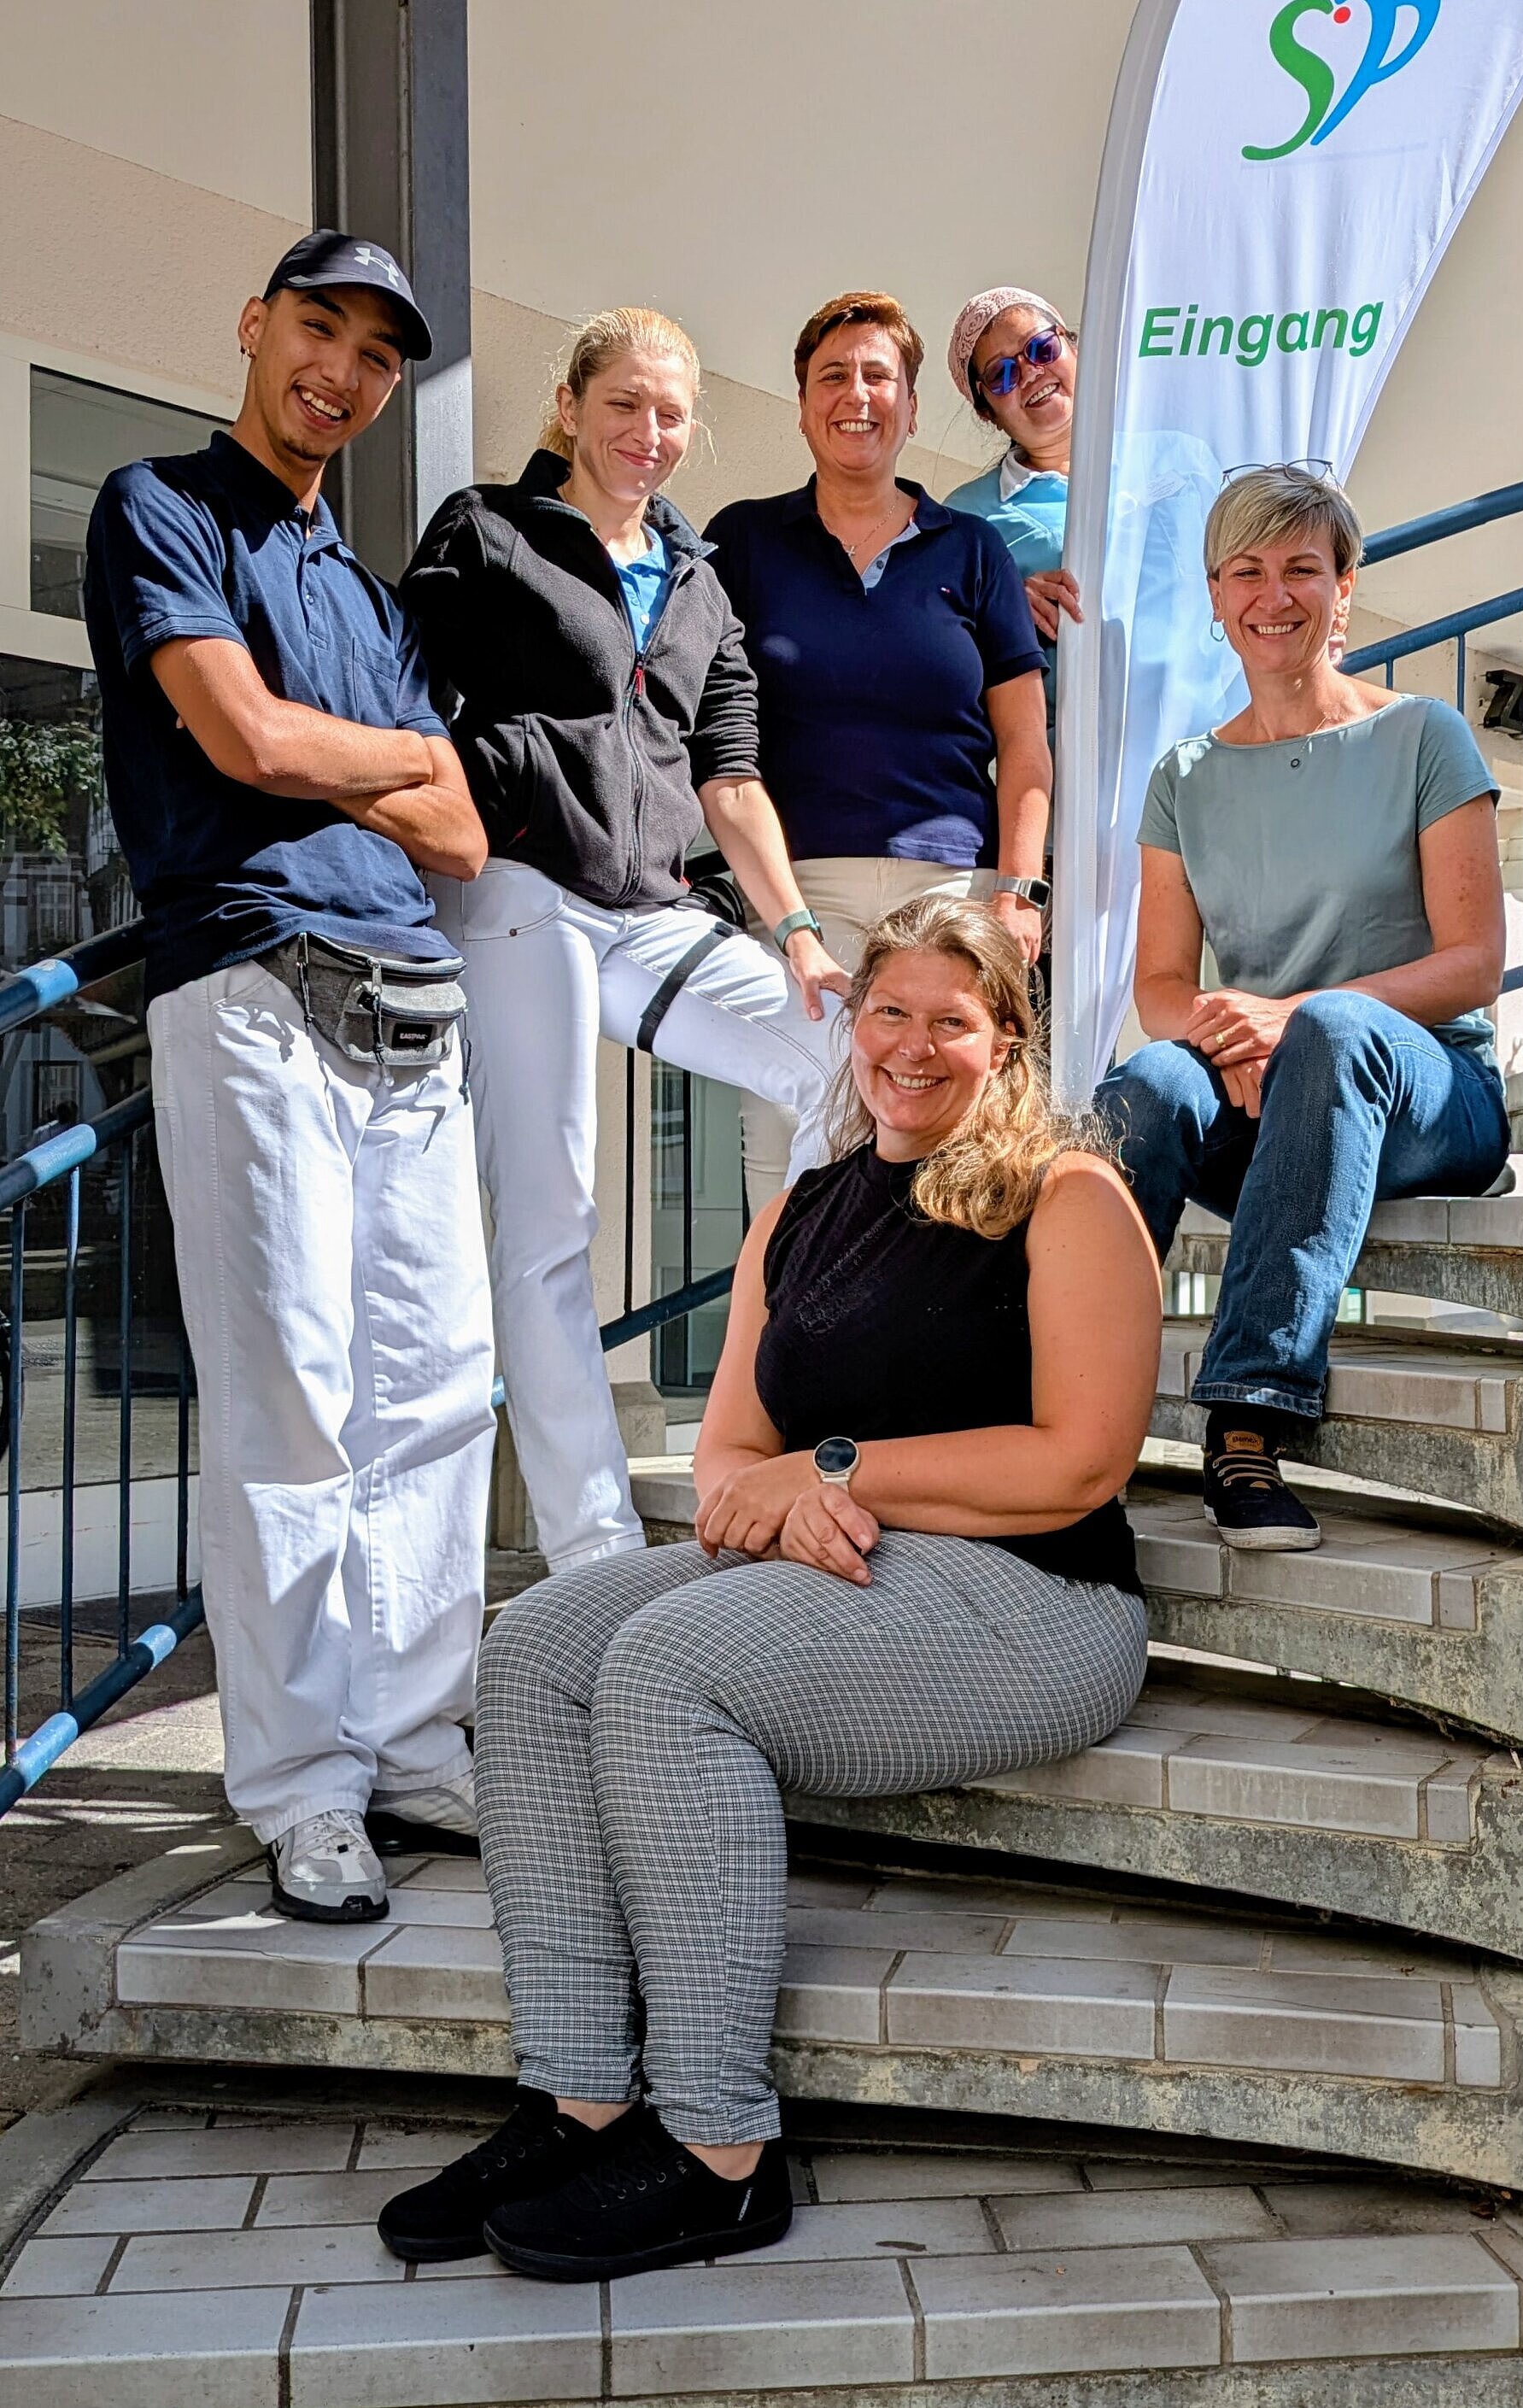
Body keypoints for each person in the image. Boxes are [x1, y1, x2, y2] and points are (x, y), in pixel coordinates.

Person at [378, 894, 1160, 2282]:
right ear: (851, 1022)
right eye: (888, 1011)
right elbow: (735, 1452)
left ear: (1008, 1040)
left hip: (1036, 1601)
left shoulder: (1067, 1192)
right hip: (856, 1566)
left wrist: (836, 1471)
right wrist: (799, 1492)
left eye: (950, 1020)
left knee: (670, 1663)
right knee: (540, 1640)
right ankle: (579, 2094)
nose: (911, 1046)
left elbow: (1077, 1461)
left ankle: (723, 2152)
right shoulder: (803, 1204)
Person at [82, 232, 499, 1922]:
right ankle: (303, 1781)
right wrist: (390, 763)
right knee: (294, 1399)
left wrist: (371, 767)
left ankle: (411, 1737)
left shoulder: (371, 597)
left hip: (416, 1004)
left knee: (435, 1396)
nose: (339, 368)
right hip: (253, 989)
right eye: (315, 327)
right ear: (255, 326)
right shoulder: (156, 505)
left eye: (376, 354)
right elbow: (243, 740)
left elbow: (465, 831)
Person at [401, 309, 848, 1578]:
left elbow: (732, 778)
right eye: (624, 405)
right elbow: (403, 697)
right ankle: (590, 1545)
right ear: (569, 403)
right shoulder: (486, 529)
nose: (647, 434)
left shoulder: (699, 578)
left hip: (652, 907)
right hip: (519, 888)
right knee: (555, 1218)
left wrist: (800, 936)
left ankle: (760, 1412)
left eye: (669, 414)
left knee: (837, 1060)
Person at [1097, 464, 1508, 1551]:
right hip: (1267, 1091)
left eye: (1299, 568)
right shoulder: (1184, 775)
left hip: (1431, 1089)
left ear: (1344, 584)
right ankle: (1074, 1414)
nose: (1272, 594)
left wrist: (1289, 1018)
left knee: (1328, 1030)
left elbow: (1472, 964)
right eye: (1246, 571)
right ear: (1216, 594)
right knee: (1143, 1084)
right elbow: (1158, 987)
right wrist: (1224, 1032)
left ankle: (1244, 1419)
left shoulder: (1422, 735)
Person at [705, 293, 1053, 1209]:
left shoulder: (971, 550)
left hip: (951, 896)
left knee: (950, 1151)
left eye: (878, 377)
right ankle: (773, 1348)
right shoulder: (742, 540)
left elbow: (1024, 745)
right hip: (797, 898)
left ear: (906, 404)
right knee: (791, 1152)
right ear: (802, 401)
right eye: (834, 375)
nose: (856, 395)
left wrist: (1020, 892)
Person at [944, 286, 1086, 712]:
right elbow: (934, 643)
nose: (1030, 373)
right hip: (1066, 764)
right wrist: (1000, 610)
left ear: (1073, 346)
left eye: (1041, 348)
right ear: (988, 410)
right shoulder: (965, 518)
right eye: (1002, 374)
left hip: (1213, 754)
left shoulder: (1175, 458)